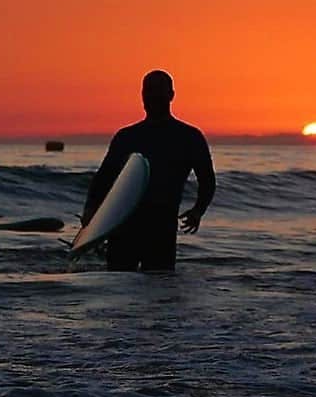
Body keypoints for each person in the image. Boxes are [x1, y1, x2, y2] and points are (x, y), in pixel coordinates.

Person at [82, 70, 216, 271]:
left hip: (161, 225)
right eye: (148, 91)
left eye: (158, 92)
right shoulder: (127, 136)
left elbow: (207, 180)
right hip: (124, 224)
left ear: (171, 95)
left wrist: (198, 210)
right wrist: (91, 212)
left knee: (159, 291)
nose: (152, 96)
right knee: (119, 287)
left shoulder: (189, 137)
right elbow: (104, 177)